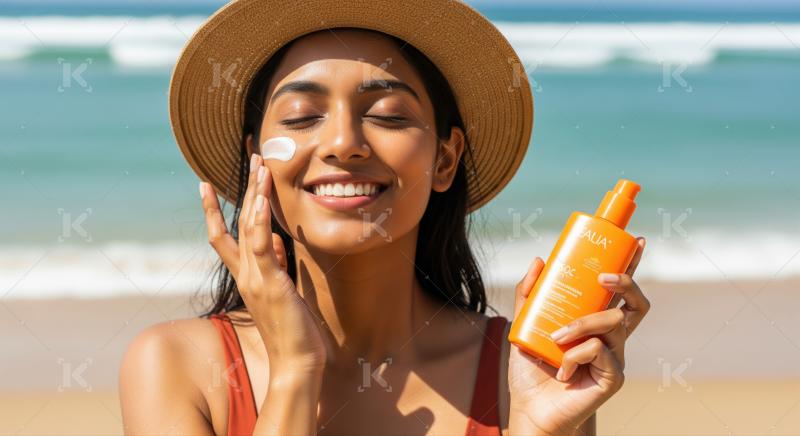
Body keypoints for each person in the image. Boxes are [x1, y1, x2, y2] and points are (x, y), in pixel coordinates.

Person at [119, 1, 650, 434]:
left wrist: (541, 431)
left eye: (388, 116)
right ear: (257, 161)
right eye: (302, 117)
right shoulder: (175, 365)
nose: (344, 144)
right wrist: (296, 371)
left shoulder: (525, 376)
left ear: (445, 159)